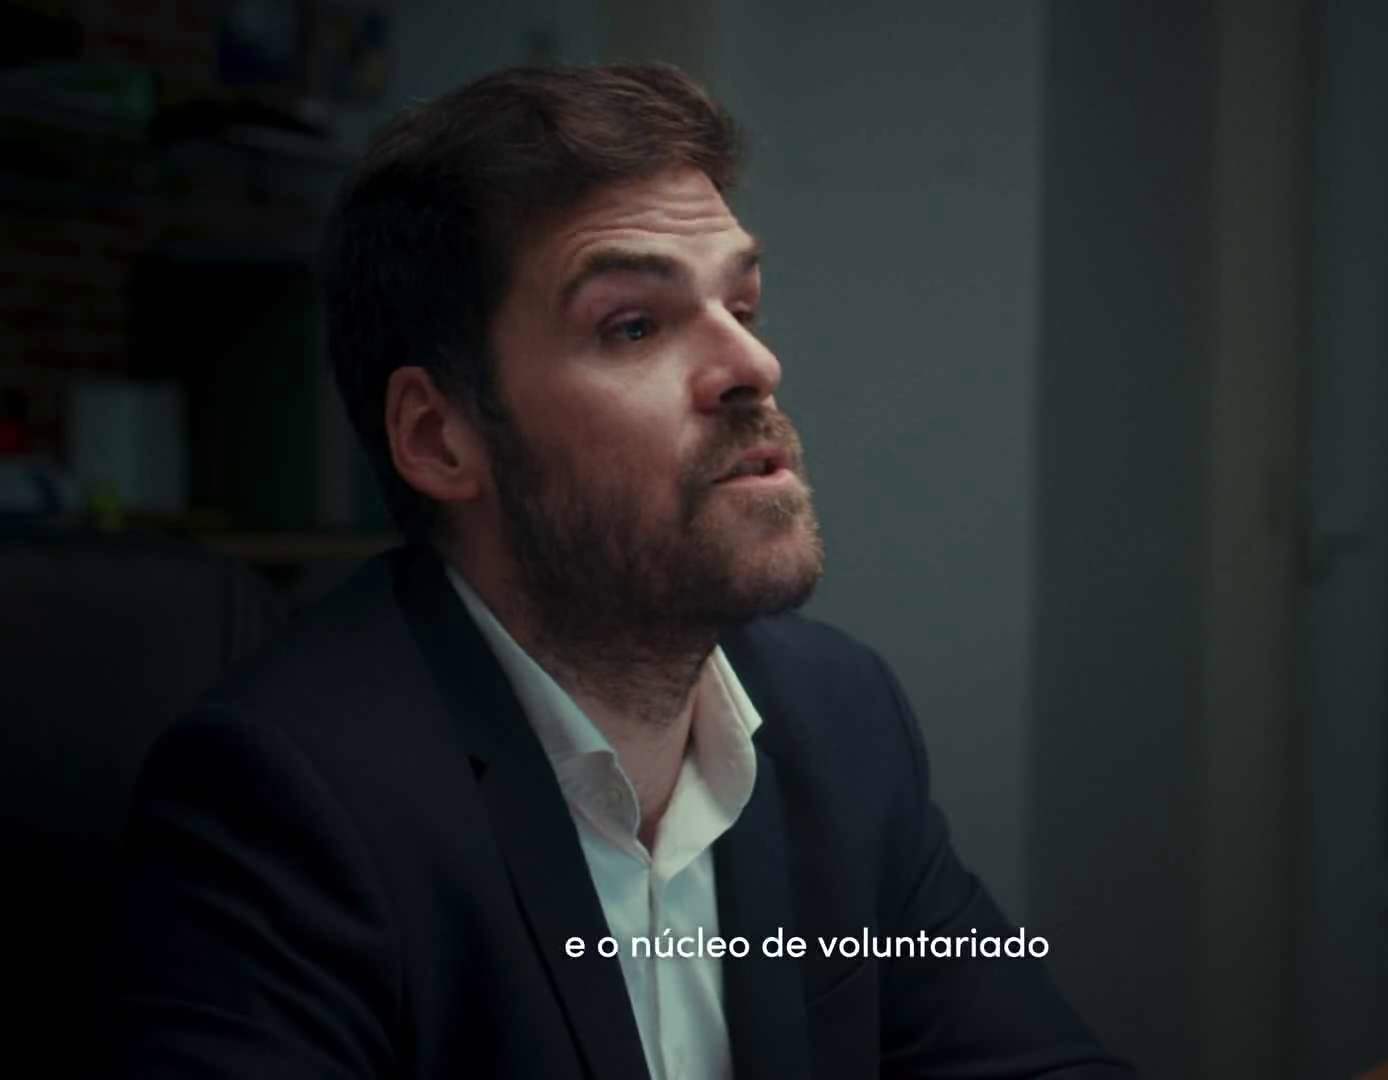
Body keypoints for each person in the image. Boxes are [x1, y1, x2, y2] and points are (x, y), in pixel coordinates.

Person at [101, 63, 1133, 1079]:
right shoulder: (286, 801)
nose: (754, 367)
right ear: (439, 437)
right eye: (633, 325)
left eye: (743, 307)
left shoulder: (841, 720)